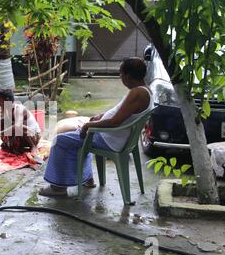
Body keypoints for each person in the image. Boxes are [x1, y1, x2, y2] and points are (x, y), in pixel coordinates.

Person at [40, 57, 154, 196]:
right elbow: (121, 111)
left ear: (128, 76)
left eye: (121, 74)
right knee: (76, 136)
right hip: (112, 136)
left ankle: (58, 188)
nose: (120, 77)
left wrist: (89, 125)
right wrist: (101, 116)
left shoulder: (138, 93)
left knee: (61, 140)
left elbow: (115, 122)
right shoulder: (145, 90)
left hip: (109, 138)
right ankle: (87, 178)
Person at [0, 89, 41, 155]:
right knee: (2, 121)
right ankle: (14, 145)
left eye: (0, 100)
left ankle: (33, 147)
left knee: (20, 127)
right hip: (21, 137)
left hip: (33, 136)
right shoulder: (5, 110)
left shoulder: (19, 109)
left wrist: (2, 132)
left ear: (7, 100)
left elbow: (18, 126)